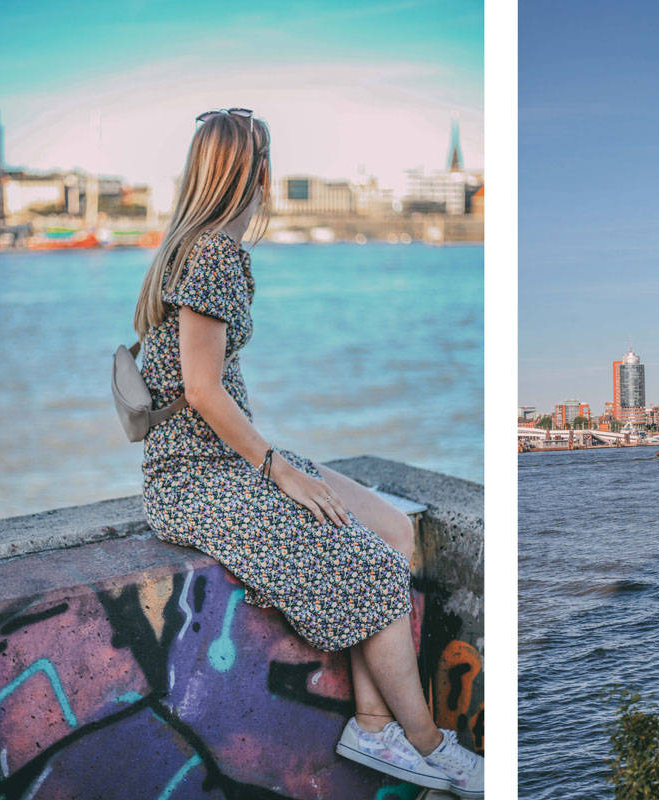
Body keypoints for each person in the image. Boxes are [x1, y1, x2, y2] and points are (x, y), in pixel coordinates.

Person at [130, 108, 483, 797]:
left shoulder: (200, 247)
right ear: (255, 172)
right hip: (198, 477)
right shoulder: (212, 255)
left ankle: (373, 724)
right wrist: (278, 467)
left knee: (392, 531)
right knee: (371, 570)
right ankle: (425, 741)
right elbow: (202, 389)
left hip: (221, 461)